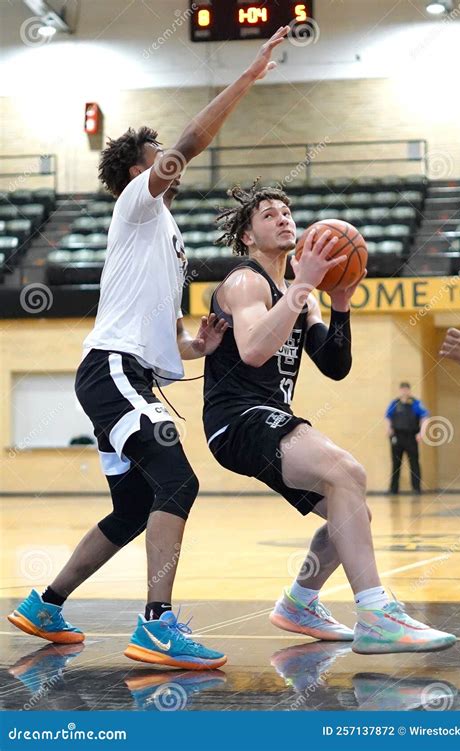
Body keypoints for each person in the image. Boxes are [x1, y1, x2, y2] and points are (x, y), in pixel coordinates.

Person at [7, 27, 290, 671]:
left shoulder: (162, 235)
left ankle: (45, 604)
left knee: (135, 505)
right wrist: (246, 77)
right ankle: (157, 626)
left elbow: (158, 338)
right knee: (179, 481)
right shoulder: (139, 204)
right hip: (113, 370)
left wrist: (197, 343)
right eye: (161, 154)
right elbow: (191, 142)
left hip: (124, 370)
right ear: (142, 169)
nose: (174, 158)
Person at [203, 182, 455, 654]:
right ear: (247, 237)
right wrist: (301, 286)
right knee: (349, 472)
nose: (283, 218)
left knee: (352, 508)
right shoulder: (246, 282)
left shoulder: (303, 295)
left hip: (268, 419)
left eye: (286, 211)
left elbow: (335, 367)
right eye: (269, 215)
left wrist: (340, 300)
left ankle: (299, 603)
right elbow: (255, 351)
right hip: (237, 418)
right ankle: (378, 615)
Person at [385, 382, 429, 495]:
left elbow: (425, 417)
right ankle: (393, 489)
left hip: (411, 437)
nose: (404, 391)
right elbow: (388, 417)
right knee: (396, 463)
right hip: (397, 437)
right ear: (400, 390)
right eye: (402, 389)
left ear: (409, 390)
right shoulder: (395, 403)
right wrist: (388, 429)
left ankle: (416, 488)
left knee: (414, 463)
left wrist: (421, 433)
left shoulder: (416, 403)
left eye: (406, 389)